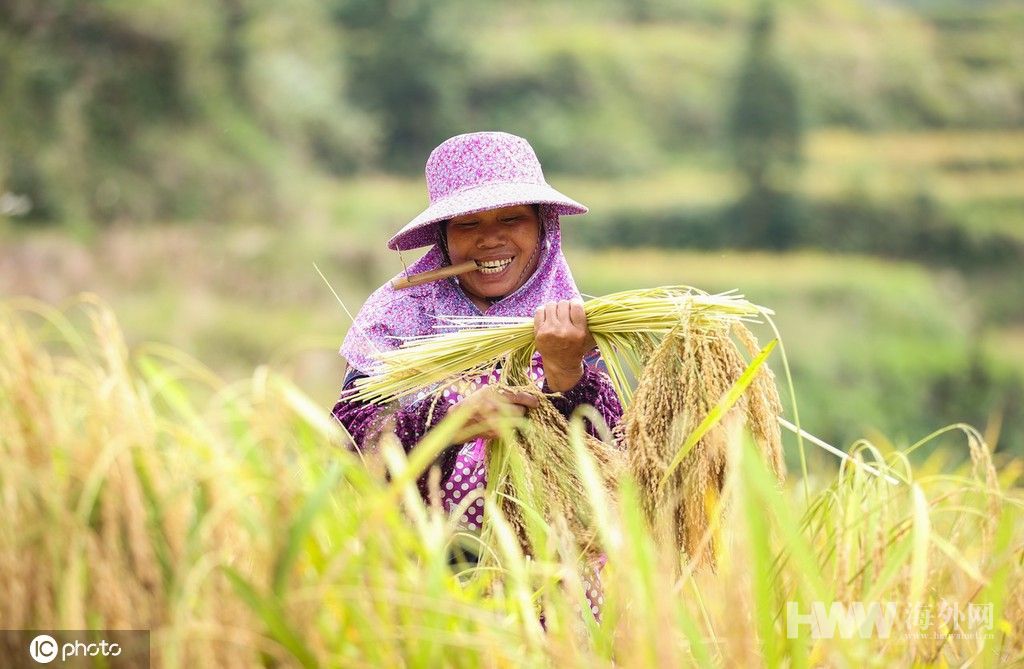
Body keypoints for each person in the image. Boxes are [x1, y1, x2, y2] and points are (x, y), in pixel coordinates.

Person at [331, 131, 621, 620]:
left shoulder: (570, 326)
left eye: (512, 218)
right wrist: (450, 422)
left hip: (552, 587)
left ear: (544, 227)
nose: (490, 238)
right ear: (444, 236)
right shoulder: (396, 317)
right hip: (424, 577)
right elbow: (351, 443)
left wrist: (566, 371)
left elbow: (612, 458)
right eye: (468, 223)